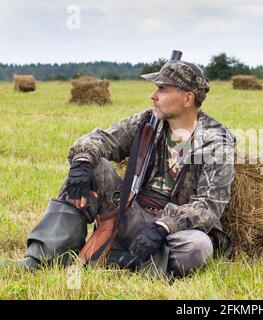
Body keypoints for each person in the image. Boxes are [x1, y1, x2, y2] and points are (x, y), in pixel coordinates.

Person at [0, 54, 236, 278]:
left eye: (162, 89)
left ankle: (117, 258)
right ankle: (40, 257)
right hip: (129, 211)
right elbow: (102, 139)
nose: (153, 95)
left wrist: (165, 226)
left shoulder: (215, 141)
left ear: (188, 98)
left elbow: (210, 205)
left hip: (172, 230)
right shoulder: (148, 121)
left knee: (199, 246)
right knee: (92, 165)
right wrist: (81, 162)